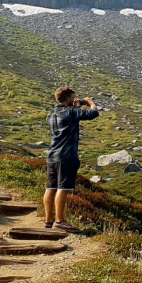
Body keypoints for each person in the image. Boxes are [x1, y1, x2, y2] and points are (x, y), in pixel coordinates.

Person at [43, 86, 99, 232]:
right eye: (73, 97)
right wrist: (89, 102)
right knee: (63, 188)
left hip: (52, 155)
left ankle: (49, 220)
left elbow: (66, 122)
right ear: (67, 99)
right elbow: (93, 114)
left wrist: (74, 107)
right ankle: (60, 221)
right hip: (66, 156)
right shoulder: (71, 112)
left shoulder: (50, 116)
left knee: (50, 187)